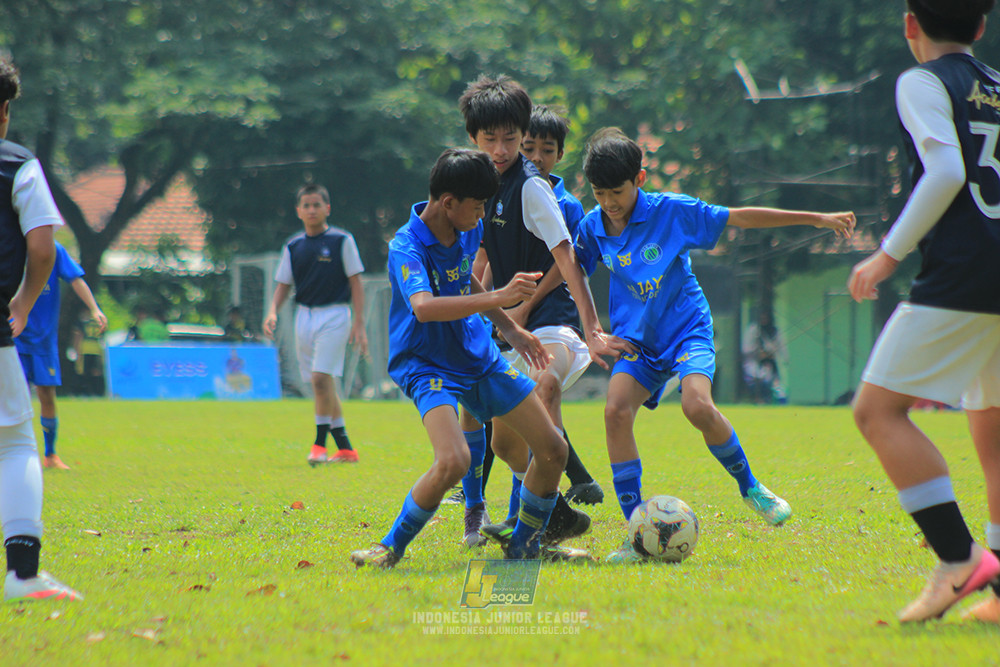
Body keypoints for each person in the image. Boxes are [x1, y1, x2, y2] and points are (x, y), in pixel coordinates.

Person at [574, 127, 854, 562]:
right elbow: (569, 268)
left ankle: (751, 488)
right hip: (637, 344)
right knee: (614, 411)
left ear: (641, 179)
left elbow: (741, 216)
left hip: (687, 330)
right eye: (599, 193)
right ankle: (638, 534)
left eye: (617, 191)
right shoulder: (593, 227)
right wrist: (578, 323)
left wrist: (815, 219)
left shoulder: (673, 211)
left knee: (697, 406)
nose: (609, 202)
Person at [350, 148, 592, 568]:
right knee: (455, 459)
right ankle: (388, 548)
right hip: (429, 366)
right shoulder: (405, 247)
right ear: (448, 203)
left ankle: (527, 545)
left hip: (479, 359)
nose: (482, 216)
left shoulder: (463, 232)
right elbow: (424, 307)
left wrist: (512, 329)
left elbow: (462, 283)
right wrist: (500, 295)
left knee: (553, 448)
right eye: (478, 206)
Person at [848, 0, 1000, 623]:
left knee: (878, 410)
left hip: (964, 274)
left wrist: (886, 256)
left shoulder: (921, 80)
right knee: (992, 432)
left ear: (911, 24)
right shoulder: (995, 86)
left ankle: (958, 560)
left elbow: (944, 171)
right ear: (982, 27)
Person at [456, 76, 627, 550]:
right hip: (516, 329)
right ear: (473, 137)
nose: (502, 148)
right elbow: (478, 259)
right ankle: (554, 516)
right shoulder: (478, 185)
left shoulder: (531, 188)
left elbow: (567, 256)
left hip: (558, 323)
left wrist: (592, 329)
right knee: (505, 445)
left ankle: (528, 536)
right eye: (491, 138)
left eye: (511, 138)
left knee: (544, 385)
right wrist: (477, 308)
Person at [0, 56, 81, 601]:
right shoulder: (18, 163)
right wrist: (24, 303)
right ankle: (24, 576)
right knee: (14, 443)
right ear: (4, 111)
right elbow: (42, 247)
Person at [263, 184, 368, 466]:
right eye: (306, 205)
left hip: (334, 314)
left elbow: (356, 282)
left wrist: (359, 322)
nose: (311, 210)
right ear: (298, 211)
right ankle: (345, 448)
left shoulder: (341, 240)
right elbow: (283, 284)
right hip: (304, 317)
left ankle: (319, 445)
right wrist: (272, 311)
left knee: (321, 379)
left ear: (327, 208)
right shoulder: (293, 246)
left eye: (316, 204)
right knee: (320, 384)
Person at [14, 241, 107, 469]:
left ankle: (50, 455)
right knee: (14, 397)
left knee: (47, 395)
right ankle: (15, 454)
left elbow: (76, 279)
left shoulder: (51, 250)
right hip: (13, 335)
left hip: (43, 339)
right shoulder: (10, 247)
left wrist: (94, 308)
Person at [741, 310, 787, 404]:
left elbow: (781, 346)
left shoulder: (774, 331)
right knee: (757, 382)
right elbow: (746, 349)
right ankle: (757, 399)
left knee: (774, 384)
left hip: (769, 364)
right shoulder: (753, 330)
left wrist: (782, 356)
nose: (764, 320)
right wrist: (758, 352)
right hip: (754, 363)